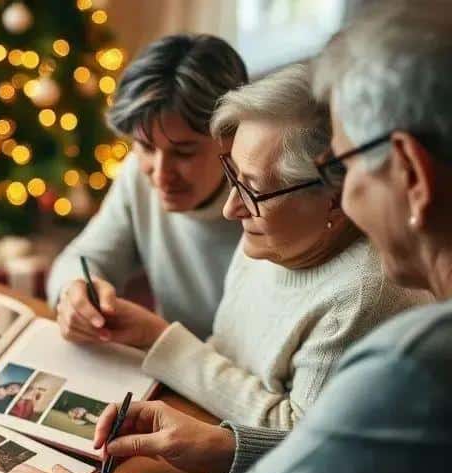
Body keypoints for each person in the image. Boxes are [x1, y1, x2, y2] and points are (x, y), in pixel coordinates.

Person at [0, 4, 452, 473]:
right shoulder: (272, 232)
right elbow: (326, 456)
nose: (232, 208)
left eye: (350, 168)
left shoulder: (409, 356)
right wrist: (224, 446)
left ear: (411, 174)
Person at [69, 63, 429, 429]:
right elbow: (226, 353)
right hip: (204, 419)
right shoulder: (272, 238)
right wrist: (152, 339)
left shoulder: (361, 298)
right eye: (233, 176)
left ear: (335, 199)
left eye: (252, 189)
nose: (231, 208)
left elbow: (300, 436)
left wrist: (160, 340)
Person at [49, 34, 247, 342]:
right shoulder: (136, 175)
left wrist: (160, 340)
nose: (161, 174)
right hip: (166, 361)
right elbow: (84, 257)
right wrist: (74, 292)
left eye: (184, 152)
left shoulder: (268, 201)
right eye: (145, 146)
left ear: (233, 137)